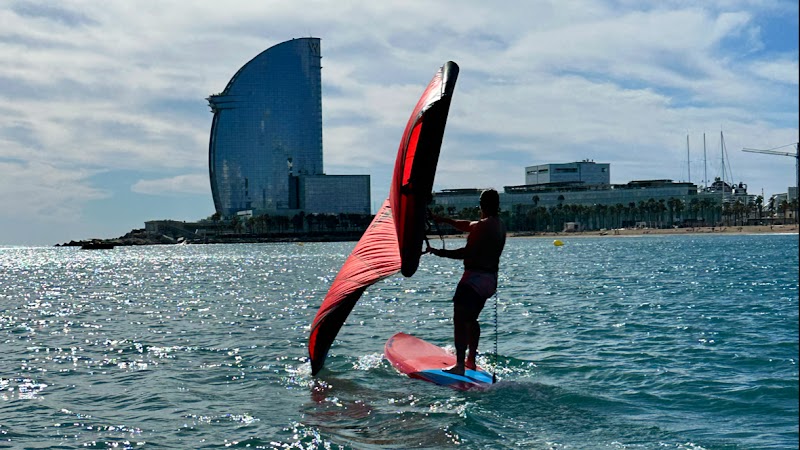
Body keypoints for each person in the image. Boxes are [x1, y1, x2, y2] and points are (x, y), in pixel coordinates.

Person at [426, 189, 506, 376]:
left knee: (460, 320)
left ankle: (459, 366)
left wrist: (439, 252)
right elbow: (468, 225)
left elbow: (465, 253)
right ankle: (471, 361)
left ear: (482, 205)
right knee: (472, 319)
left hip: (474, 280)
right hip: (489, 281)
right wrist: (444, 220)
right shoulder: (498, 225)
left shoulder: (483, 226)